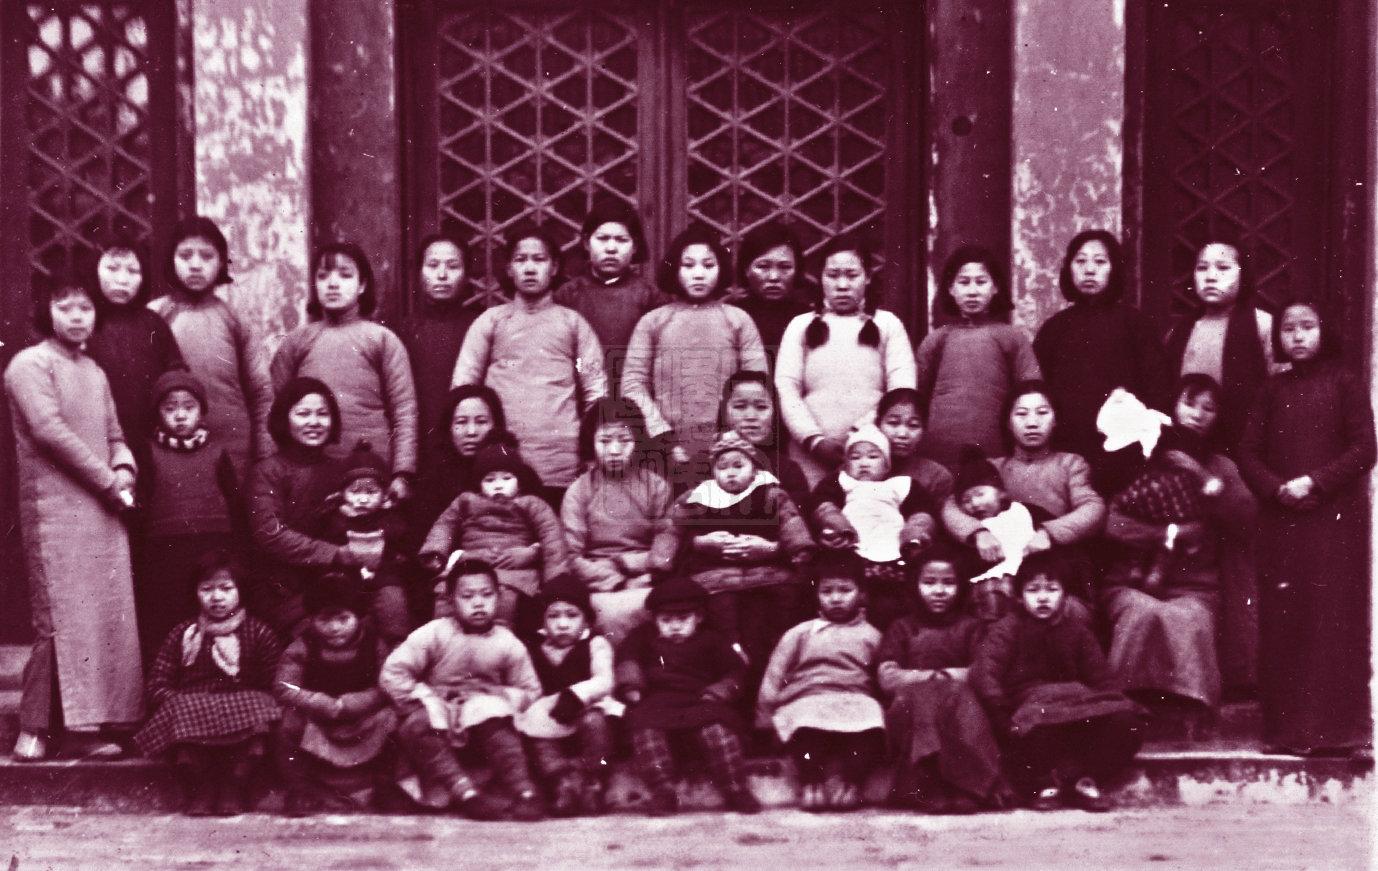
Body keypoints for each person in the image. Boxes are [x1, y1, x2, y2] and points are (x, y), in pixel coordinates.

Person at [5, 275, 142, 762]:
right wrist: (108, 482)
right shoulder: (29, 365)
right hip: (57, 510)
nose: (78, 316)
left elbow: (114, 434)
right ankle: (37, 727)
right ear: (47, 313)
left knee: (101, 614)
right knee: (61, 617)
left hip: (104, 509)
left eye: (85, 307)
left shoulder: (94, 371)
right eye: (66, 307)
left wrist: (124, 469)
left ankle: (97, 722)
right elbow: (49, 432)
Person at [1238, 299, 1376, 754]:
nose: (1297, 336)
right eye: (1288, 328)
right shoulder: (1271, 391)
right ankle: (1285, 733)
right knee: (1286, 621)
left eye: (1307, 326)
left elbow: (1365, 448)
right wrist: (1277, 489)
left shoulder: (1345, 384)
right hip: (1282, 522)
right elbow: (1248, 453)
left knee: (1330, 620)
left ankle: (1335, 733)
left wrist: (1314, 482)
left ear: (1323, 331)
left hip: (1333, 522)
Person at [1097, 376, 1258, 721]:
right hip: (1132, 581)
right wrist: (1172, 532)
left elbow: (1245, 519)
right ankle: (1123, 711)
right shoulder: (1142, 452)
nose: (1197, 414)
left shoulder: (1221, 467)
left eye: (1208, 408)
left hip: (1194, 585)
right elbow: (1113, 524)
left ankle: (1191, 713)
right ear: (1172, 406)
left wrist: (1197, 473)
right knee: (1139, 613)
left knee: (1189, 619)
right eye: (1189, 403)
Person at [971, 551, 1144, 812]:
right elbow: (986, 671)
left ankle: (1085, 779)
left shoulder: (1078, 632)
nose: (1042, 598)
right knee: (1030, 732)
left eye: (1052, 589)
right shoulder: (1007, 630)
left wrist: (1112, 703)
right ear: (1019, 597)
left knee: (1126, 722)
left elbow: (1101, 678)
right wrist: (999, 710)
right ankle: (1045, 784)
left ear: (1065, 596)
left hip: (1077, 708)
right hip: (1032, 709)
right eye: (1033, 590)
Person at [452, 223, 607, 504]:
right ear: (509, 269)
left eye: (539, 259)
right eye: (521, 260)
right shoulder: (491, 321)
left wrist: (589, 449)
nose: (530, 268)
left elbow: (595, 388)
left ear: (554, 267)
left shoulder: (572, 324)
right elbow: (464, 389)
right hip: (501, 461)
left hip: (560, 458)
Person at [381, 558, 545, 820]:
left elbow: (530, 690)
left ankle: (525, 792)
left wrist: (502, 696)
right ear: (450, 600)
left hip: (484, 717)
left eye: (487, 595)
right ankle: (466, 793)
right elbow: (393, 672)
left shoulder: (507, 642)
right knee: (416, 724)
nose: (478, 603)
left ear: (499, 596)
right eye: (467, 596)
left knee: (495, 719)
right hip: (441, 714)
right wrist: (426, 696)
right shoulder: (435, 633)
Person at [653, 430, 813, 698]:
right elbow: (671, 528)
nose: (731, 473)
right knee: (722, 615)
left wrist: (798, 548)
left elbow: (790, 521)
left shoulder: (770, 494)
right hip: (717, 576)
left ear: (754, 468)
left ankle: (777, 666)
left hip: (766, 573)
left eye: (739, 466)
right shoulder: (699, 497)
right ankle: (734, 655)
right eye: (723, 467)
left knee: (781, 607)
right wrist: (665, 559)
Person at [134, 551, 283, 816]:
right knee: (181, 708)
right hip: (193, 710)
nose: (216, 597)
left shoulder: (259, 632)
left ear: (240, 591)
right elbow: (158, 682)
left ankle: (232, 787)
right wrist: (178, 701)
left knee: (260, 704)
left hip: (243, 709)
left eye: (226, 588)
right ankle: (201, 788)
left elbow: (274, 682)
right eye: (207, 589)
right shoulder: (183, 634)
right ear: (196, 593)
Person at [622, 223, 768, 486]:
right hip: (667, 451)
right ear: (675, 270)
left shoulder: (737, 320)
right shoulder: (653, 322)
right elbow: (633, 384)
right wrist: (664, 439)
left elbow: (757, 383)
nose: (698, 274)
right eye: (688, 265)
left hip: (729, 450)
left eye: (708, 265)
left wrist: (733, 436)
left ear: (721, 269)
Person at [272, 242, 419, 503]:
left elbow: (404, 411)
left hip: (370, 469)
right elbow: (274, 406)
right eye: (323, 276)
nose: (332, 283)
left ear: (362, 285)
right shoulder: (297, 342)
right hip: (309, 471)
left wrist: (402, 473)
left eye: (345, 275)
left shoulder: (381, 340)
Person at [941, 381, 1106, 613]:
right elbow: (951, 506)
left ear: (1055, 420)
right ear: (1008, 423)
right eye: (1021, 414)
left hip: (1048, 564)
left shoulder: (1070, 464)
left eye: (1042, 413)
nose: (1032, 423)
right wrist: (978, 533)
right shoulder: (992, 468)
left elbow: (1093, 507)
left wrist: (1049, 533)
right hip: (998, 561)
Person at [776, 234, 916, 486]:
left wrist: (859, 434)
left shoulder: (888, 324)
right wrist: (813, 439)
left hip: (869, 450)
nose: (842, 285)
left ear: (868, 277)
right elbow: (786, 387)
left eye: (852, 275)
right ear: (821, 278)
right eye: (833, 275)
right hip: (809, 451)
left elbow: (901, 391)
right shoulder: (800, 325)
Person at [615, 577, 761, 815]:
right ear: (654, 619)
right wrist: (632, 687)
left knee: (718, 730)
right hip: (658, 701)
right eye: (666, 620)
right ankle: (663, 791)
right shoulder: (643, 637)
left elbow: (735, 672)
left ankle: (735, 788)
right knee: (644, 728)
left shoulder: (712, 640)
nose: (674, 627)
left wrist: (719, 691)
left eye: (683, 619)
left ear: (699, 617)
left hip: (701, 700)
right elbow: (627, 659)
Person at [878, 548, 1007, 814]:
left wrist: (945, 679)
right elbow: (887, 676)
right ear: (915, 586)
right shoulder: (902, 628)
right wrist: (932, 679)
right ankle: (930, 782)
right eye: (929, 582)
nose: (939, 591)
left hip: (959, 707)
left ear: (960, 587)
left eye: (948, 583)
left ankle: (966, 787)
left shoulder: (972, 627)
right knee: (925, 696)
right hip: (911, 711)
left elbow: (983, 670)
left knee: (959, 698)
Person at [757, 556, 885, 812]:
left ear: (861, 594)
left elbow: (879, 677)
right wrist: (765, 719)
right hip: (808, 698)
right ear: (816, 595)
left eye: (845, 590)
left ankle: (851, 783)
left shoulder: (872, 636)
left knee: (870, 727)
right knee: (806, 730)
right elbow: (774, 676)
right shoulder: (800, 633)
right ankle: (811, 783)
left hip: (854, 700)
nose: (836, 598)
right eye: (827, 591)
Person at [1033, 230, 1173, 457]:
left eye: (1100, 262)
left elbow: (1158, 388)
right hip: (1067, 449)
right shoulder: (1053, 329)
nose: (1089, 270)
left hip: (1125, 446)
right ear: (1069, 268)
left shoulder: (1135, 324)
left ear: (1114, 269)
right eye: (1080, 261)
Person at [150, 216, 272, 469]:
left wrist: (265, 454)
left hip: (232, 448)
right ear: (171, 260)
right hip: (169, 450)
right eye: (185, 256)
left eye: (206, 256)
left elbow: (260, 391)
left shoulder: (235, 320)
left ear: (221, 262)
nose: (196, 265)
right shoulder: (155, 316)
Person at [274, 573, 397, 816]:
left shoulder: (375, 644)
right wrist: (320, 702)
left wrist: (354, 703)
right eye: (324, 619)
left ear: (358, 617)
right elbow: (284, 686)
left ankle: (386, 785)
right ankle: (300, 789)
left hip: (364, 717)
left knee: (394, 718)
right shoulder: (302, 646)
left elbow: (389, 683)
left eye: (343, 618)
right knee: (286, 723)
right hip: (319, 718)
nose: (334, 628)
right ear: (312, 619)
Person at [138, 369, 239, 662]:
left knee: (210, 610)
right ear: (158, 414)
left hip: (210, 546)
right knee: (169, 616)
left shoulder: (217, 452)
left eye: (189, 407)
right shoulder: (149, 453)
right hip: (166, 551)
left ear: (201, 411)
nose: (180, 416)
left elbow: (234, 503)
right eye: (170, 409)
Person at [420, 440, 571, 632]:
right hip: (472, 562)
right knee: (446, 594)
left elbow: (551, 536)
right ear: (480, 484)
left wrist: (556, 583)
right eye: (490, 480)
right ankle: (444, 639)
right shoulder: (466, 501)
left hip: (510, 568)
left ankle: (498, 640)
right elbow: (445, 524)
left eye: (506, 478)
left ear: (519, 481)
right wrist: (435, 551)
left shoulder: (531, 504)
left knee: (503, 600)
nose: (498, 485)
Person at [914, 246, 1040, 469]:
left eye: (981, 282)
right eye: (964, 282)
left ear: (995, 287)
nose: (972, 291)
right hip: (938, 450)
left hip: (995, 448)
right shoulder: (937, 340)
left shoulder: (1012, 338)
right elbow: (917, 398)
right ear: (951, 288)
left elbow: (1032, 392)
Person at [560, 397, 674, 643]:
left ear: (638, 441)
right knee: (608, 613)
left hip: (646, 577)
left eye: (624, 441)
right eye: (604, 441)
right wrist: (617, 582)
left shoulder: (656, 487)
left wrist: (629, 565)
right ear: (591, 443)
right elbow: (571, 556)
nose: (614, 450)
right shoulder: (579, 491)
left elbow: (665, 546)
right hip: (599, 581)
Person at [247, 377, 354, 632]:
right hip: (283, 586)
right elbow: (271, 534)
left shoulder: (342, 470)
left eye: (322, 414)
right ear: (285, 419)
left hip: (336, 582)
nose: (314, 422)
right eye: (303, 414)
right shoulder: (267, 472)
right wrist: (334, 554)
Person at [809, 424, 937, 631]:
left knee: (896, 600)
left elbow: (922, 511)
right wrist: (835, 523)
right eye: (855, 457)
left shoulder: (901, 485)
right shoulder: (842, 482)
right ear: (846, 464)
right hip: (852, 545)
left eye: (873, 456)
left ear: (887, 465)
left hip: (893, 547)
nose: (864, 463)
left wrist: (915, 533)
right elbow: (823, 504)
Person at [515, 576, 621, 817]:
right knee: (534, 732)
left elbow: (605, 680)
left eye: (572, 616)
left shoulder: (596, 644)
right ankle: (562, 784)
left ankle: (594, 783)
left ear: (586, 620)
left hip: (587, 709)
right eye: (554, 616)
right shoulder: (535, 648)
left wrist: (577, 695)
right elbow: (527, 686)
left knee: (596, 723)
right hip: (551, 717)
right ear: (543, 621)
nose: (562, 624)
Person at [82, 233, 185, 479]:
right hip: (94, 439)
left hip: (150, 439)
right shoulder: (83, 322)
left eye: (132, 271)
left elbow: (176, 377)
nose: (122, 279)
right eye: (112, 268)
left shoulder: (153, 324)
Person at [1164, 239, 1281, 454]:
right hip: (1186, 450)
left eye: (1223, 268)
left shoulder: (1263, 325)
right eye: (1202, 268)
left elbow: (1282, 395)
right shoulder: (1179, 331)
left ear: (1243, 275)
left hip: (1245, 448)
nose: (1210, 277)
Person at [554, 198, 665, 388]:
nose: (611, 248)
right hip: (583, 390)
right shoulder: (568, 295)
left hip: (633, 391)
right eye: (603, 239)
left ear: (634, 247)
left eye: (621, 240)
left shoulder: (650, 296)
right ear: (586, 243)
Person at [400, 233, 480, 489]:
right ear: (419, 272)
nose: (442, 275)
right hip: (418, 451)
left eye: (453, 266)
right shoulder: (402, 330)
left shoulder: (480, 326)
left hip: (469, 450)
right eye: (433, 265)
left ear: (466, 274)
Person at [315, 441, 415, 646]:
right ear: (342, 493)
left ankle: (396, 642)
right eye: (355, 492)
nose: (362, 499)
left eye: (371, 492)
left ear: (384, 494)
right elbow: (326, 545)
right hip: (346, 575)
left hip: (384, 574)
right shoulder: (335, 517)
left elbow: (403, 542)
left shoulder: (390, 517)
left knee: (393, 600)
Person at [949, 445, 1053, 622]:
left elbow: (1052, 533)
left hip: (1031, 579)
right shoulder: (971, 528)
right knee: (993, 596)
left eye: (979, 494)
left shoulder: (1025, 512)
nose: (974, 503)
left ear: (1001, 493)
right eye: (966, 500)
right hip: (991, 584)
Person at [412, 384, 514, 534]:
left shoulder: (516, 472)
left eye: (481, 422)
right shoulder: (433, 479)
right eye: (461, 422)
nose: (471, 432)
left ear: (496, 425)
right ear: (448, 427)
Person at [717, 370, 811, 505]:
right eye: (740, 406)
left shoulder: (787, 470)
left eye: (761, 407)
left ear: (775, 413)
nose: (751, 416)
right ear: (724, 411)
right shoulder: (703, 466)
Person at [731, 222, 811, 354]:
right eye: (763, 266)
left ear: (797, 269)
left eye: (785, 267)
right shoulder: (731, 316)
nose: (774, 277)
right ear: (746, 269)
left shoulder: (808, 318)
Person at [873, 387, 955, 505]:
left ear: (924, 430)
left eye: (913, 425)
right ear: (878, 424)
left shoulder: (936, 476)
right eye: (893, 423)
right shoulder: (859, 465)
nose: (902, 434)